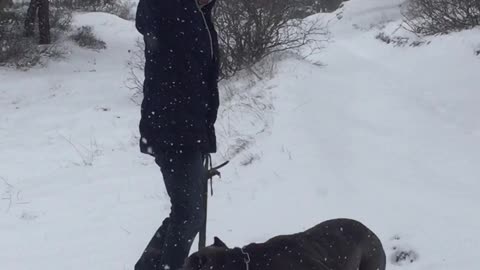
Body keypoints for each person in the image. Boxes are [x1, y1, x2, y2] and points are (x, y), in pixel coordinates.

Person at [134, 0, 220, 269]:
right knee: (188, 214)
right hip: (173, 128)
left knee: (187, 212)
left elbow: (201, 77)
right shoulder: (168, 9)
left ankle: (149, 267)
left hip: (189, 128)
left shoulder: (199, 15)